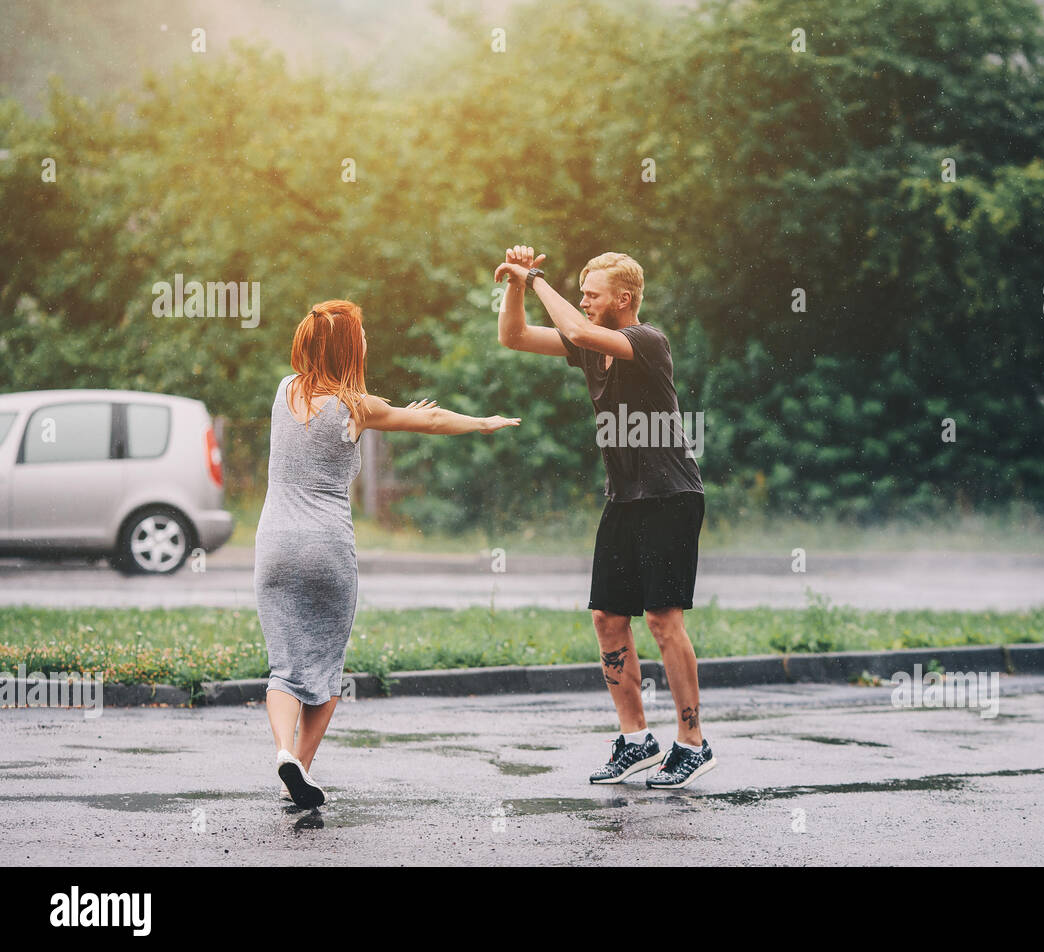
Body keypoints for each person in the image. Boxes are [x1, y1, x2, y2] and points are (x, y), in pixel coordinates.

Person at [255, 300, 519, 808]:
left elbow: (391, 414)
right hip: (327, 550)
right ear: (350, 348)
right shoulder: (357, 406)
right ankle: (302, 768)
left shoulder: (283, 391)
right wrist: (483, 422)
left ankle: (285, 755)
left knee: (284, 669)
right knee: (327, 668)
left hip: (274, 548)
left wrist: (399, 412)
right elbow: (433, 421)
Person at [494, 247, 715, 789]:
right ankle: (636, 739)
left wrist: (538, 277)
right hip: (625, 498)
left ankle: (693, 742)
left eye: (592, 293)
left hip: (670, 496)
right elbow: (515, 337)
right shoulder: (591, 349)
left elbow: (580, 329)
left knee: (664, 620)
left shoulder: (647, 341)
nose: (585, 300)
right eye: (582, 292)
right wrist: (517, 287)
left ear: (625, 298)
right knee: (608, 617)